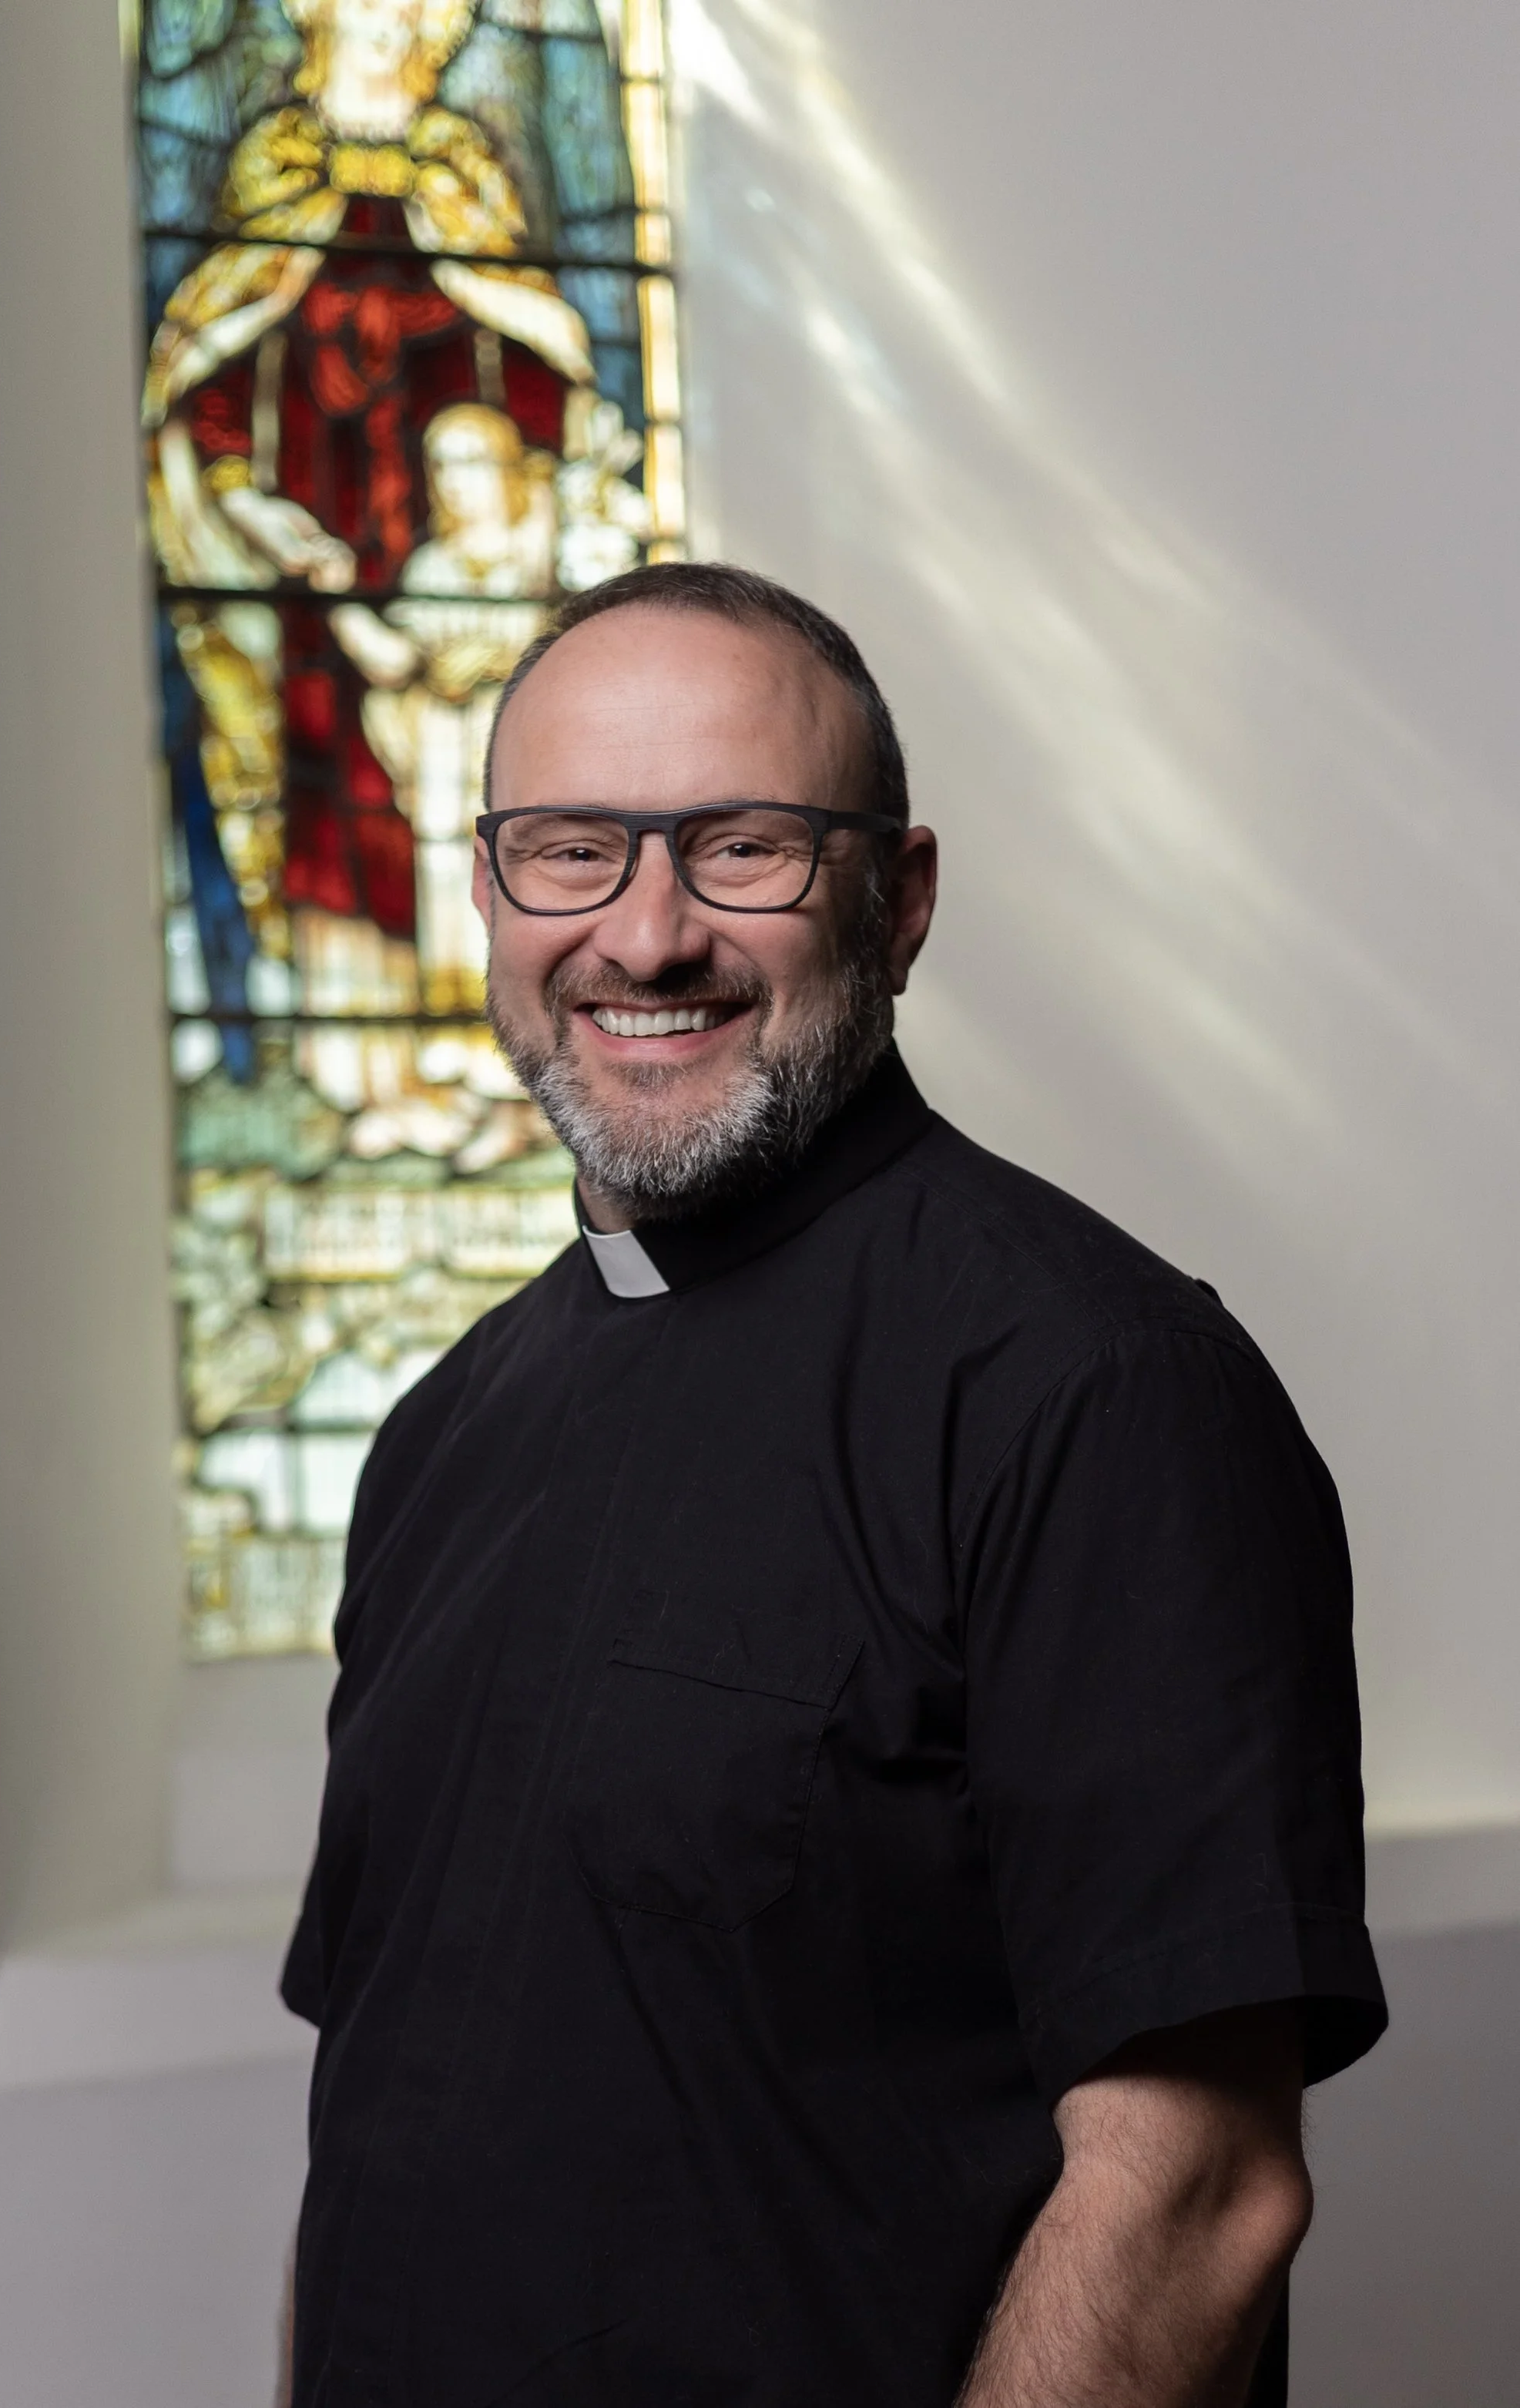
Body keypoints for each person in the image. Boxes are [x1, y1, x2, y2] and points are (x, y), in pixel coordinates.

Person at [277, 560, 1387, 2407]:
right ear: (485, 890)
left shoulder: (1096, 1390)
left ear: (902, 896)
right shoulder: (440, 1432)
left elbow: (1194, 2190)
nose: (643, 937)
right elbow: (379, 2130)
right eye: (570, 849)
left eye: (743, 849)